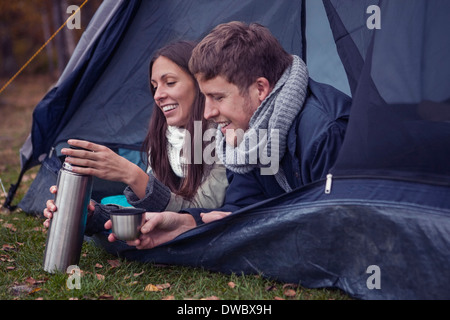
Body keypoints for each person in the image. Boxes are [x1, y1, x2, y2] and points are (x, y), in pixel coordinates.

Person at [99, 21, 352, 251]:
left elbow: (338, 233)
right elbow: (242, 207)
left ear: (260, 88)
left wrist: (250, 225)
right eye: (205, 97)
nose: (208, 112)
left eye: (218, 97)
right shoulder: (250, 134)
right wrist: (185, 223)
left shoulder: (325, 133)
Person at [43, 41, 229, 235]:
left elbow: (201, 211)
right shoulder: (166, 137)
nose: (158, 95)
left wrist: (132, 175)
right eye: (154, 87)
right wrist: (91, 216)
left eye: (170, 83)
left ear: (201, 85)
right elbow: (152, 214)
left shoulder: (224, 134)